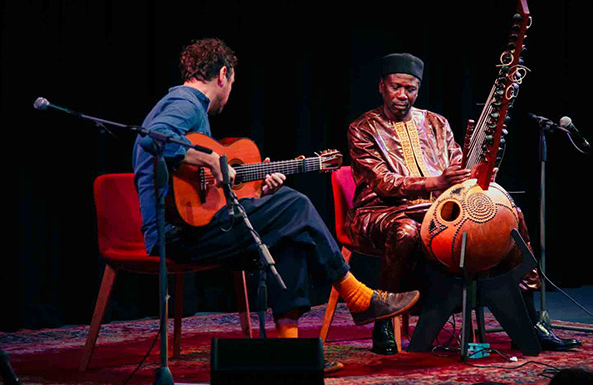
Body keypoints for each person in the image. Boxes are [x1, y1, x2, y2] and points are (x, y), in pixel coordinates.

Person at [131, 39, 420, 371]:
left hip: (193, 227)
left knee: (289, 230)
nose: (229, 91)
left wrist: (257, 190)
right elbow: (152, 137)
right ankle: (357, 296)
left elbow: (206, 196)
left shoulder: (184, 105)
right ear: (224, 74)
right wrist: (210, 158)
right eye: (233, 82)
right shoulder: (186, 102)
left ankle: (292, 355)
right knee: (295, 205)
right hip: (175, 237)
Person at [346, 53, 581, 355]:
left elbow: (458, 167)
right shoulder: (362, 128)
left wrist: (478, 175)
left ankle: (530, 319)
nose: (403, 95)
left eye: (411, 89)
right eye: (396, 87)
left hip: (438, 210)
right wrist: (437, 183)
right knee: (406, 231)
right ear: (381, 86)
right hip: (380, 211)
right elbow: (382, 183)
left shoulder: (436, 123)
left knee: (512, 216)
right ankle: (384, 322)